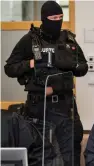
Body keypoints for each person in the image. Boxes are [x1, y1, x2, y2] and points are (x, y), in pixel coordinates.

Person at [4, 1, 88, 166]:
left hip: (65, 107)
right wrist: (31, 64)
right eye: (53, 17)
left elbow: (83, 67)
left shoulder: (68, 39)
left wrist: (68, 64)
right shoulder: (30, 40)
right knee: (40, 154)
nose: (57, 20)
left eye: (60, 17)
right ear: (44, 18)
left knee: (70, 154)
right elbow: (9, 68)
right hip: (39, 108)